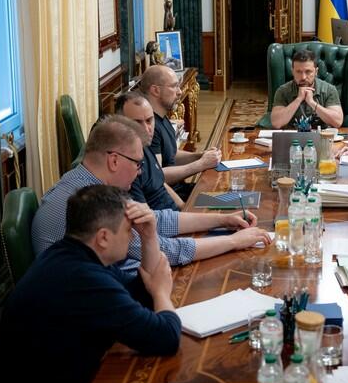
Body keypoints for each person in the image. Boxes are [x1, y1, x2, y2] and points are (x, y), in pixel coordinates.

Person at [0, 185, 181, 383]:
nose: (132, 237)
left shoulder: (71, 254)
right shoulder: (84, 279)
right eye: (129, 230)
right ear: (103, 237)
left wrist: (149, 236)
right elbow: (166, 338)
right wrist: (161, 293)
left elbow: (138, 295)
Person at [31, 115, 270, 271]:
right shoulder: (92, 204)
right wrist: (234, 241)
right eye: (137, 163)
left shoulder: (85, 181)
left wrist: (222, 219)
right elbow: (165, 249)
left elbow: (155, 220)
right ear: (114, 161)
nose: (140, 172)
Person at [140, 65, 222, 201]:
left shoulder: (162, 116)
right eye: (174, 86)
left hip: (181, 189)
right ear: (155, 90)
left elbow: (171, 155)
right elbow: (158, 175)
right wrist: (201, 164)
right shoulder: (149, 127)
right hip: (170, 199)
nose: (179, 92)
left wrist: (200, 156)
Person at [115, 91, 183, 211]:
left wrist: (184, 207)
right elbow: (147, 216)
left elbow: (161, 183)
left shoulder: (145, 145)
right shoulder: (127, 167)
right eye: (137, 123)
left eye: (149, 120)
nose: (147, 129)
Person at [270, 49, 344, 129]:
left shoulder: (329, 89)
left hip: (321, 135)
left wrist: (312, 102)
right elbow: (276, 123)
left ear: (316, 72)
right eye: (298, 72)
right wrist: (298, 99)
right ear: (292, 72)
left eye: (308, 72)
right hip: (292, 135)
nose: (303, 77)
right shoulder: (282, 91)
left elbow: (337, 122)